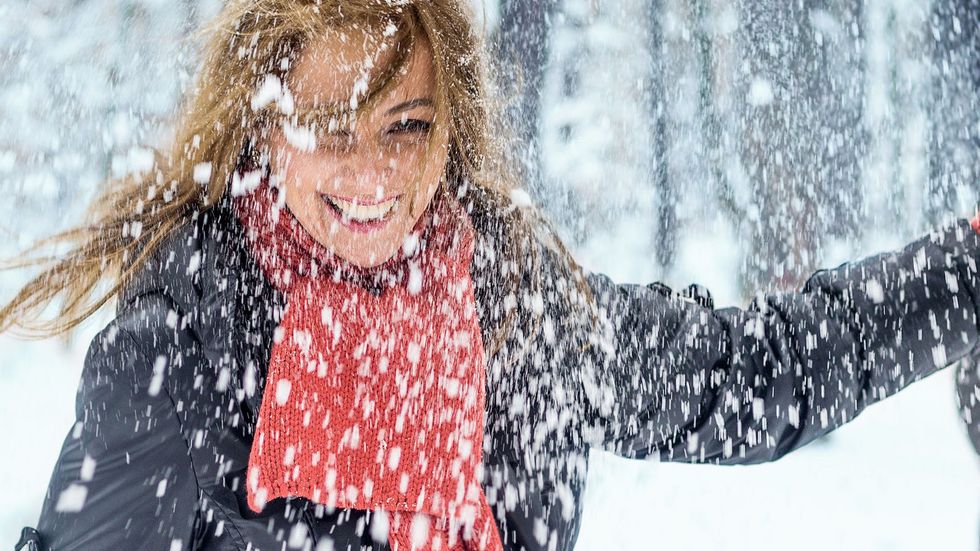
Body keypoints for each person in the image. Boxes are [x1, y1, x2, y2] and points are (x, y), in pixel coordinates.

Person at [4, 1, 980, 550]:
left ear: (450, 124)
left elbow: (757, 376)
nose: (374, 175)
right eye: (329, 128)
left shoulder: (516, 307)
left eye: (405, 126)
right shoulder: (190, 337)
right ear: (266, 131)